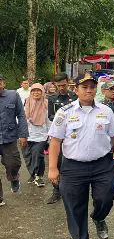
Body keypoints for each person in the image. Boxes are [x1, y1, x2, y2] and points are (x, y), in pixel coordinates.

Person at [47, 73, 114, 239]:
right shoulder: (64, 112)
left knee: (107, 196)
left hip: (102, 164)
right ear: (76, 90)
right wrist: (52, 168)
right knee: (75, 206)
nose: (89, 90)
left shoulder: (105, 111)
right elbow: (55, 142)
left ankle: (99, 217)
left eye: (92, 87)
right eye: (84, 87)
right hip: (73, 167)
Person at [46, 72, 77, 204]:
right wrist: (63, 121)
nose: (62, 88)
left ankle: (73, 190)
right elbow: (51, 116)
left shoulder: (75, 96)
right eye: (59, 86)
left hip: (73, 134)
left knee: (73, 162)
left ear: (68, 82)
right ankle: (56, 190)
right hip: (59, 135)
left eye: (64, 85)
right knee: (57, 162)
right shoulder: (52, 98)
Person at [0, 73, 29, 206]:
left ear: (3, 83)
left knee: (13, 163)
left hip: (9, 137)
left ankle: (14, 178)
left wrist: (23, 134)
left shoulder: (13, 95)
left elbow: (21, 115)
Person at [23, 83, 50, 188]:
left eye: (38, 90)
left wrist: (50, 136)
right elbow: (21, 118)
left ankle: (39, 177)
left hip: (41, 135)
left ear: (42, 91)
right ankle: (32, 174)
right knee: (28, 157)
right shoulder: (26, 101)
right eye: (34, 90)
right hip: (27, 134)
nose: (36, 92)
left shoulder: (46, 103)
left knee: (37, 156)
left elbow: (49, 120)